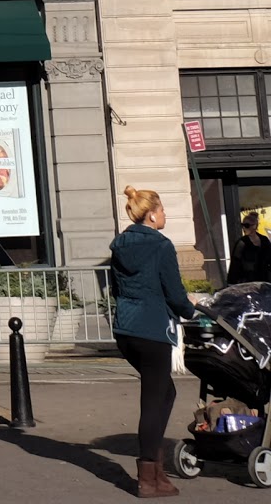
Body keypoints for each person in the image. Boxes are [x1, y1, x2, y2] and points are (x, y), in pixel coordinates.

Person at [110, 186, 195, 498]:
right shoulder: (161, 245)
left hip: (126, 330)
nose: (165, 215)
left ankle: (155, 470)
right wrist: (191, 308)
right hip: (151, 330)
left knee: (164, 393)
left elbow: (115, 287)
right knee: (153, 400)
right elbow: (173, 291)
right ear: (151, 213)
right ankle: (148, 477)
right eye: (162, 209)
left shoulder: (119, 245)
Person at [228, 212, 271, 286]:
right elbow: (235, 263)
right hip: (247, 281)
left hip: (264, 279)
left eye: (246, 226)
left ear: (254, 226)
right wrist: (231, 282)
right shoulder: (242, 243)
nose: (244, 228)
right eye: (242, 225)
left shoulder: (264, 240)